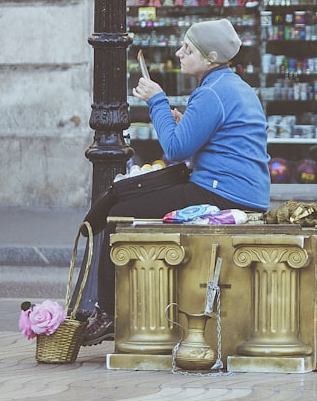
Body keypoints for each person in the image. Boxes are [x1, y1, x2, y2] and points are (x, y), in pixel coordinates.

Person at [83, 18, 271, 345]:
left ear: (210, 58)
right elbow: (206, 141)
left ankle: (109, 313)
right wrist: (184, 123)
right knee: (133, 202)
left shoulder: (211, 93)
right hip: (239, 192)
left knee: (120, 215)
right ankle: (121, 308)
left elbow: (173, 149)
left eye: (188, 49)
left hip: (222, 194)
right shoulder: (232, 86)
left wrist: (156, 101)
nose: (179, 53)